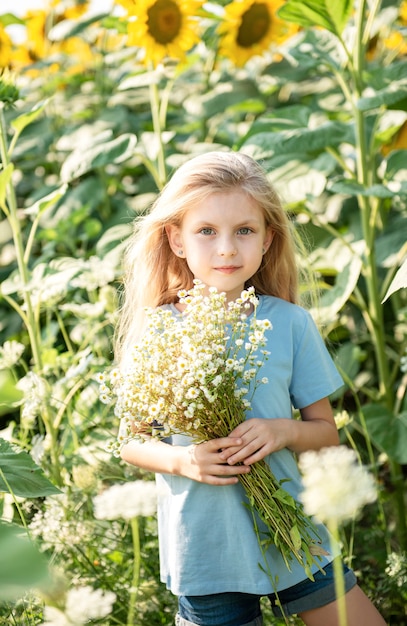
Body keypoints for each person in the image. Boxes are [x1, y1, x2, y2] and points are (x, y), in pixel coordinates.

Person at [116, 151, 386, 626]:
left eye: (244, 230)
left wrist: (281, 431)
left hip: (297, 534)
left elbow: (325, 432)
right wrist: (184, 460)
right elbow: (133, 443)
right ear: (176, 240)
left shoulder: (289, 323)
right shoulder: (158, 330)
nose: (226, 249)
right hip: (206, 549)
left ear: (267, 241)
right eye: (206, 231)